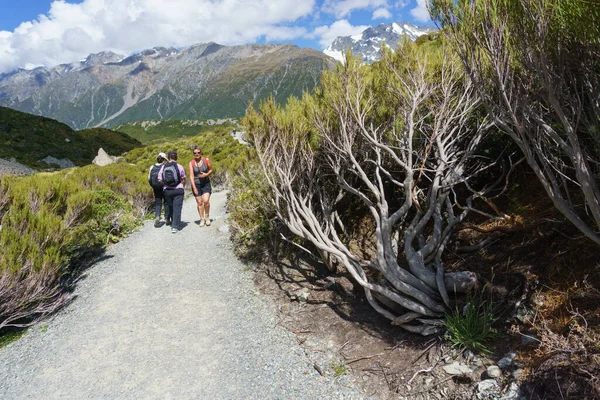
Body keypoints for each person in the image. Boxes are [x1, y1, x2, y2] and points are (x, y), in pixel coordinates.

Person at [158, 150, 186, 234]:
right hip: (178, 190)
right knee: (177, 207)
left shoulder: (164, 167)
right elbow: (183, 178)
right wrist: (182, 186)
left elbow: (159, 179)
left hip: (167, 190)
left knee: (171, 207)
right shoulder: (179, 166)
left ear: (168, 157)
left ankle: (172, 221)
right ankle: (175, 226)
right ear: (176, 157)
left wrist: (165, 184)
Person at [189, 146, 213, 227]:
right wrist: (194, 187)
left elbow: (210, 170)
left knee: (206, 201)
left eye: (198, 152)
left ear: (201, 153)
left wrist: (206, 174)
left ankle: (207, 216)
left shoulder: (206, 160)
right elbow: (191, 176)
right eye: (195, 153)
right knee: (199, 203)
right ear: (193, 154)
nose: (197, 154)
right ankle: (202, 219)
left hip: (206, 183)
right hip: (196, 184)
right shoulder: (191, 163)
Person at [148, 152, 169, 227]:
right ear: (164, 159)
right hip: (164, 187)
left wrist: (153, 186)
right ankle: (167, 218)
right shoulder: (165, 166)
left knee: (158, 203)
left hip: (156, 188)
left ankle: (157, 217)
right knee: (166, 202)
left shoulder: (152, 167)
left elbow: (149, 179)